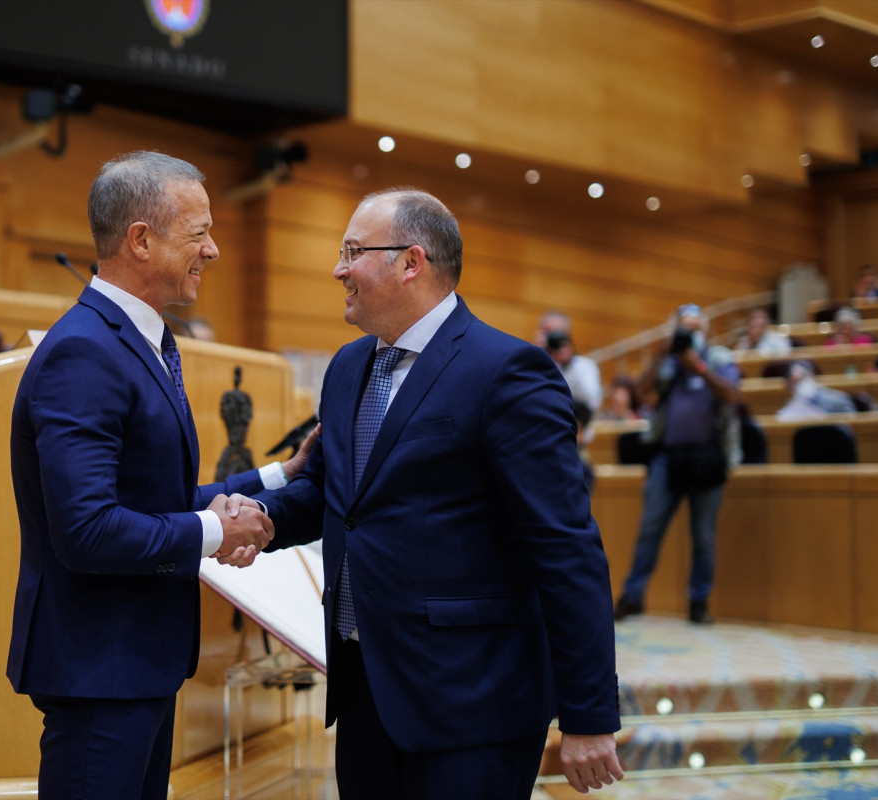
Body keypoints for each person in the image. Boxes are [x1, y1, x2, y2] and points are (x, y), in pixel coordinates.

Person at [256, 189, 622, 799]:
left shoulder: (508, 371)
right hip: (366, 687)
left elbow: (565, 547)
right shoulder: (348, 367)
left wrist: (588, 714)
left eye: (353, 251)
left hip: (473, 702)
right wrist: (245, 518)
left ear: (410, 262)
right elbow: (331, 495)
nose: (338, 269)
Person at [6, 151, 313, 799]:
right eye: (199, 233)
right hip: (99, 668)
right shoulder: (86, 352)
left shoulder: (140, 339)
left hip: (133, 663)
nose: (215, 250)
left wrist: (280, 476)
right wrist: (214, 531)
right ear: (140, 240)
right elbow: (88, 530)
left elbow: (154, 502)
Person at [613, 304, 741, 626]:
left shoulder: (719, 359)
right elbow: (640, 394)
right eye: (684, 328)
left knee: (703, 536)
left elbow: (730, 394)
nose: (690, 334)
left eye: (696, 328)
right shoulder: (668, 363)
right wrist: (659, 357)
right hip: (668, 458)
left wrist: (696, 365)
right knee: (649, 529)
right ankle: (633, 596)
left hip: (708, 458)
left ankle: (699, 602)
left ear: (706, 332)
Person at [537, 310, 603, 412]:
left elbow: (593, 401)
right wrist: (535, 354)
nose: (554, 338)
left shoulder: (585, 366)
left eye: (558, 333)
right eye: (549, 333)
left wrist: (568, 364)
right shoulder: (533, 363)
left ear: (568, 336)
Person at [776, 361, 856, 420]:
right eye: (794, 382)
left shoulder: (839, 401)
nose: (800, 386)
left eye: (803, 379)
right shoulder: (787, 407)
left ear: (813, 376)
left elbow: (853, 430)